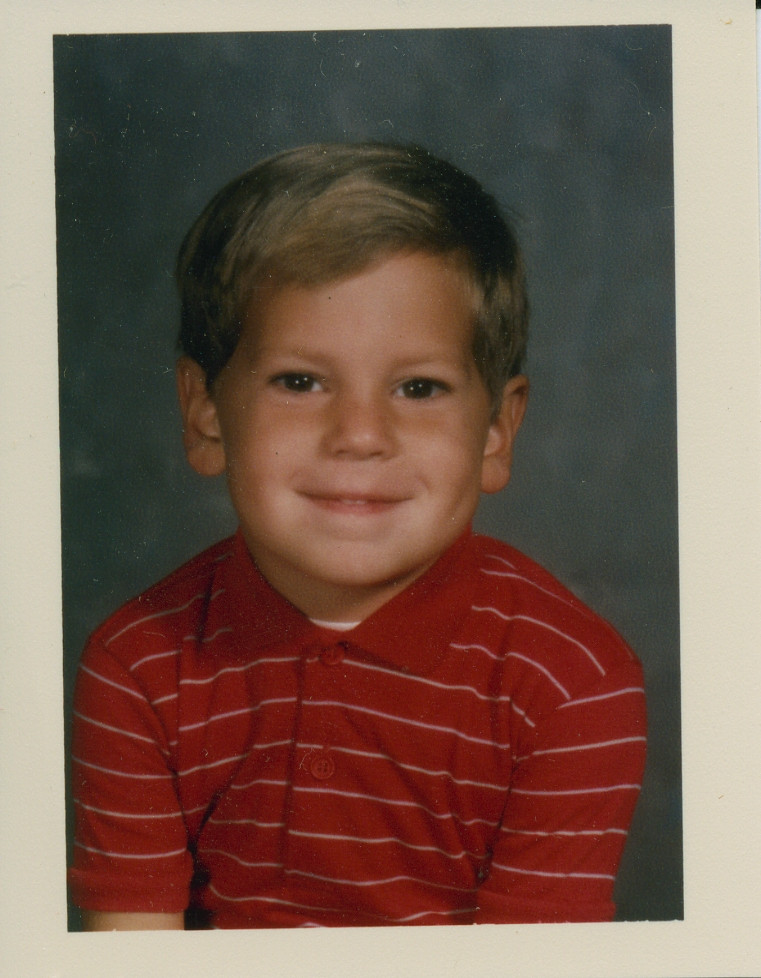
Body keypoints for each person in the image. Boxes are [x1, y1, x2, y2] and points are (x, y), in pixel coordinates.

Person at [68, 143, 647, 930]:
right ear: (204, 413)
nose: (360, 435)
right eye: (300, 381)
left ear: (495, 432)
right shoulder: (136, 666)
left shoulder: (570, 683)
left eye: (419, 387)